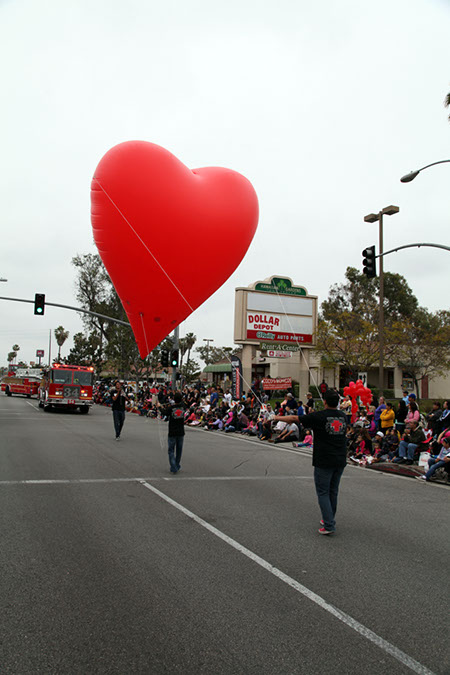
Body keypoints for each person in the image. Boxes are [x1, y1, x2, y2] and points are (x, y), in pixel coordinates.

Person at [274, 389, 347, 535]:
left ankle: (329, 525)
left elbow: (295, 418)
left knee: (323, 492)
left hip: (324, 459)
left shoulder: (318, 416)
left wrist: (276, 417)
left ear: (324, 402)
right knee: (333, 491)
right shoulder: (343, 416)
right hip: (340, 458)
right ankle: (329, 518)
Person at [164, 392, 185, 473]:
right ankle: (176, 464)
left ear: (174, 399)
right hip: (181, 431)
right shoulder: (183, 407)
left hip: (172, 431)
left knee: (171, 450)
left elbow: (165, 412)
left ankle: (173, 466)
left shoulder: (171, 408)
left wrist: (159, 406)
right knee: (179, 450)